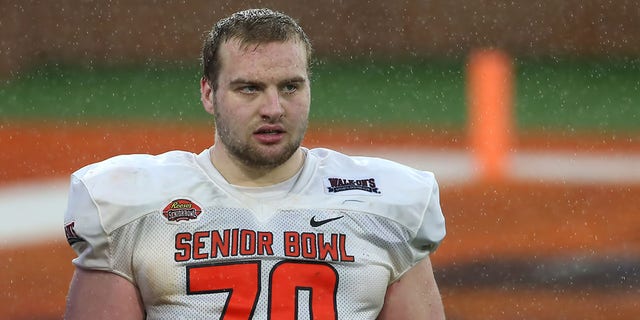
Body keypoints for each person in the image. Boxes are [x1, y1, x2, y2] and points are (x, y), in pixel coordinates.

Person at [63, 8, 446, 319]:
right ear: (208, 93)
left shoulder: (387, 207)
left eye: (290, 87)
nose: (274, 109)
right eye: (250, 88)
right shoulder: (131, 208)